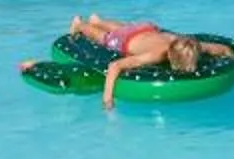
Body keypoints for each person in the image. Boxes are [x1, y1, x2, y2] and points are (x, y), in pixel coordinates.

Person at [60, 15, 223, 107]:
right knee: (106, 38)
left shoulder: (191, 46)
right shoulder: (156, 54)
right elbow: (115, 66)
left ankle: (98, 20)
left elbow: (223, 50)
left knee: (123, 27)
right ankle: (80, 25)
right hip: (126, 40)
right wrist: (107, 99)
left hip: (147, 29)